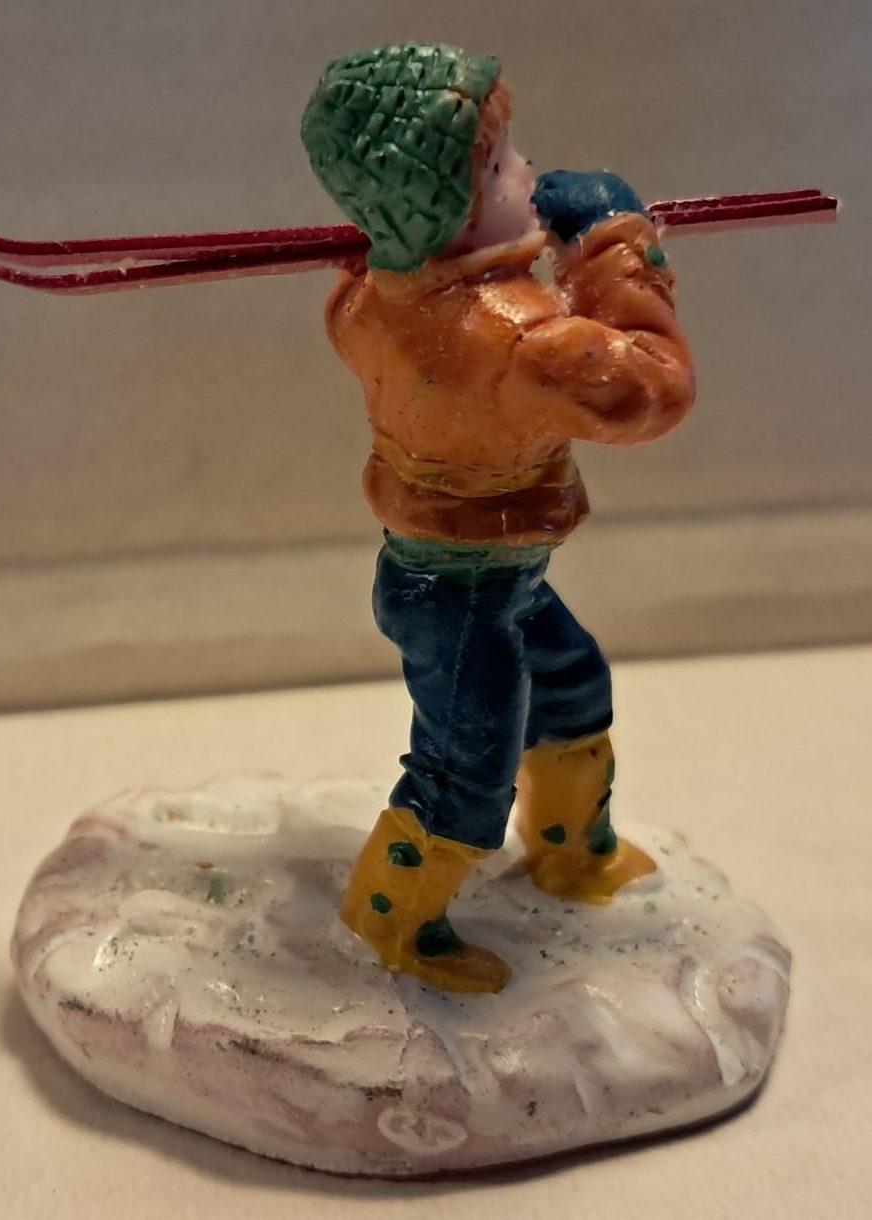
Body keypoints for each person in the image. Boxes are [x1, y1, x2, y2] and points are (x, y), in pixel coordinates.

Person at [301, 43, 695, 993]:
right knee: (465, 764)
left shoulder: (365, 300)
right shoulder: (525, 341)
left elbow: (400, 289)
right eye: (507, 164)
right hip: (467, 589)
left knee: (570, 687)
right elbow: (654, 389)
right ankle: (392, 920)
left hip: (476, 570)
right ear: (454, 202)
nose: (530, 173)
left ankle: (572, 850)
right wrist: (614, 247)